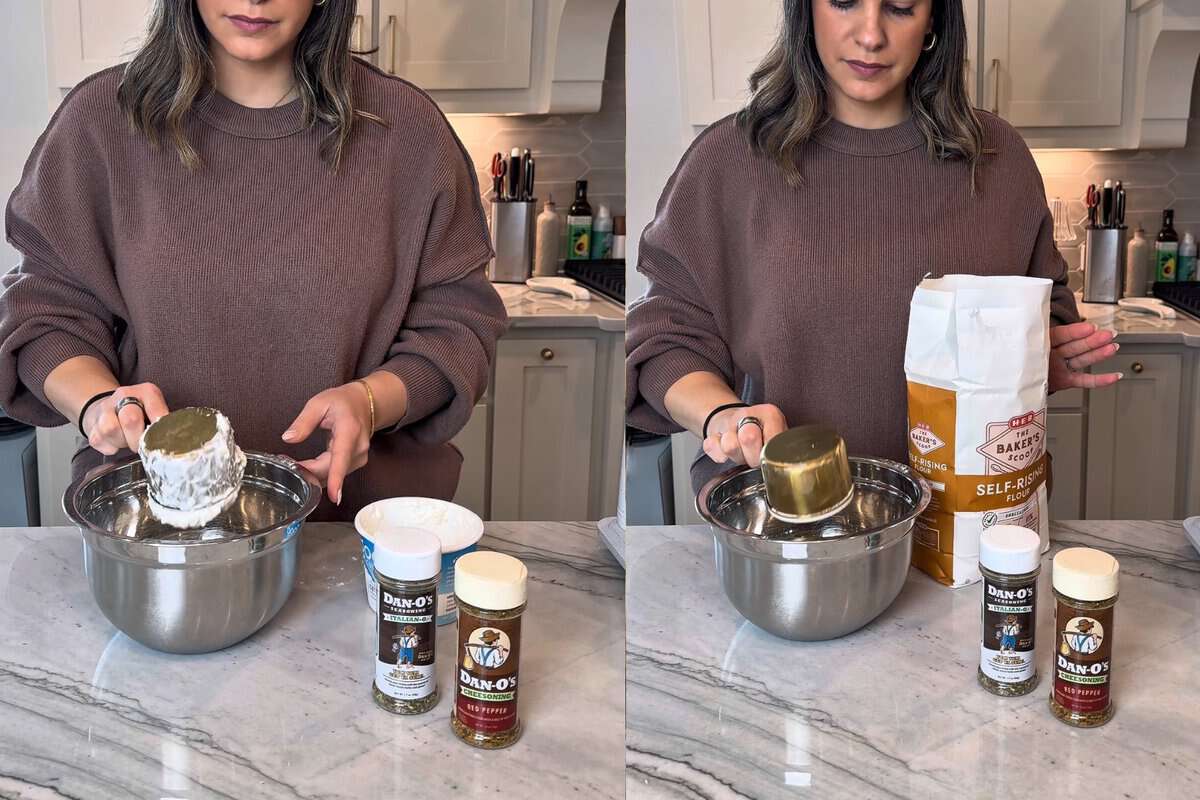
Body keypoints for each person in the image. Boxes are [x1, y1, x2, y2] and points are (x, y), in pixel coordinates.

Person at [0, 0, 507, 521]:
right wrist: (99, 404)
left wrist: (371, 402)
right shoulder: (100, 123)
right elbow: (46, 317)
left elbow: (458, 330)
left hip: (363, 526)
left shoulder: (407, 130)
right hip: (153, 528)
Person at [625, 0, 1120, 493]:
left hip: (973, 510)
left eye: (900, 7)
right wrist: (726, 416)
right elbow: (667, 339)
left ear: (934, 19)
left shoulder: (997, 158)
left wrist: (1033, 359)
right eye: (844, 2)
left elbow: (1046, 310)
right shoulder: (730, 159)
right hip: (781, 509)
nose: (870, 35)